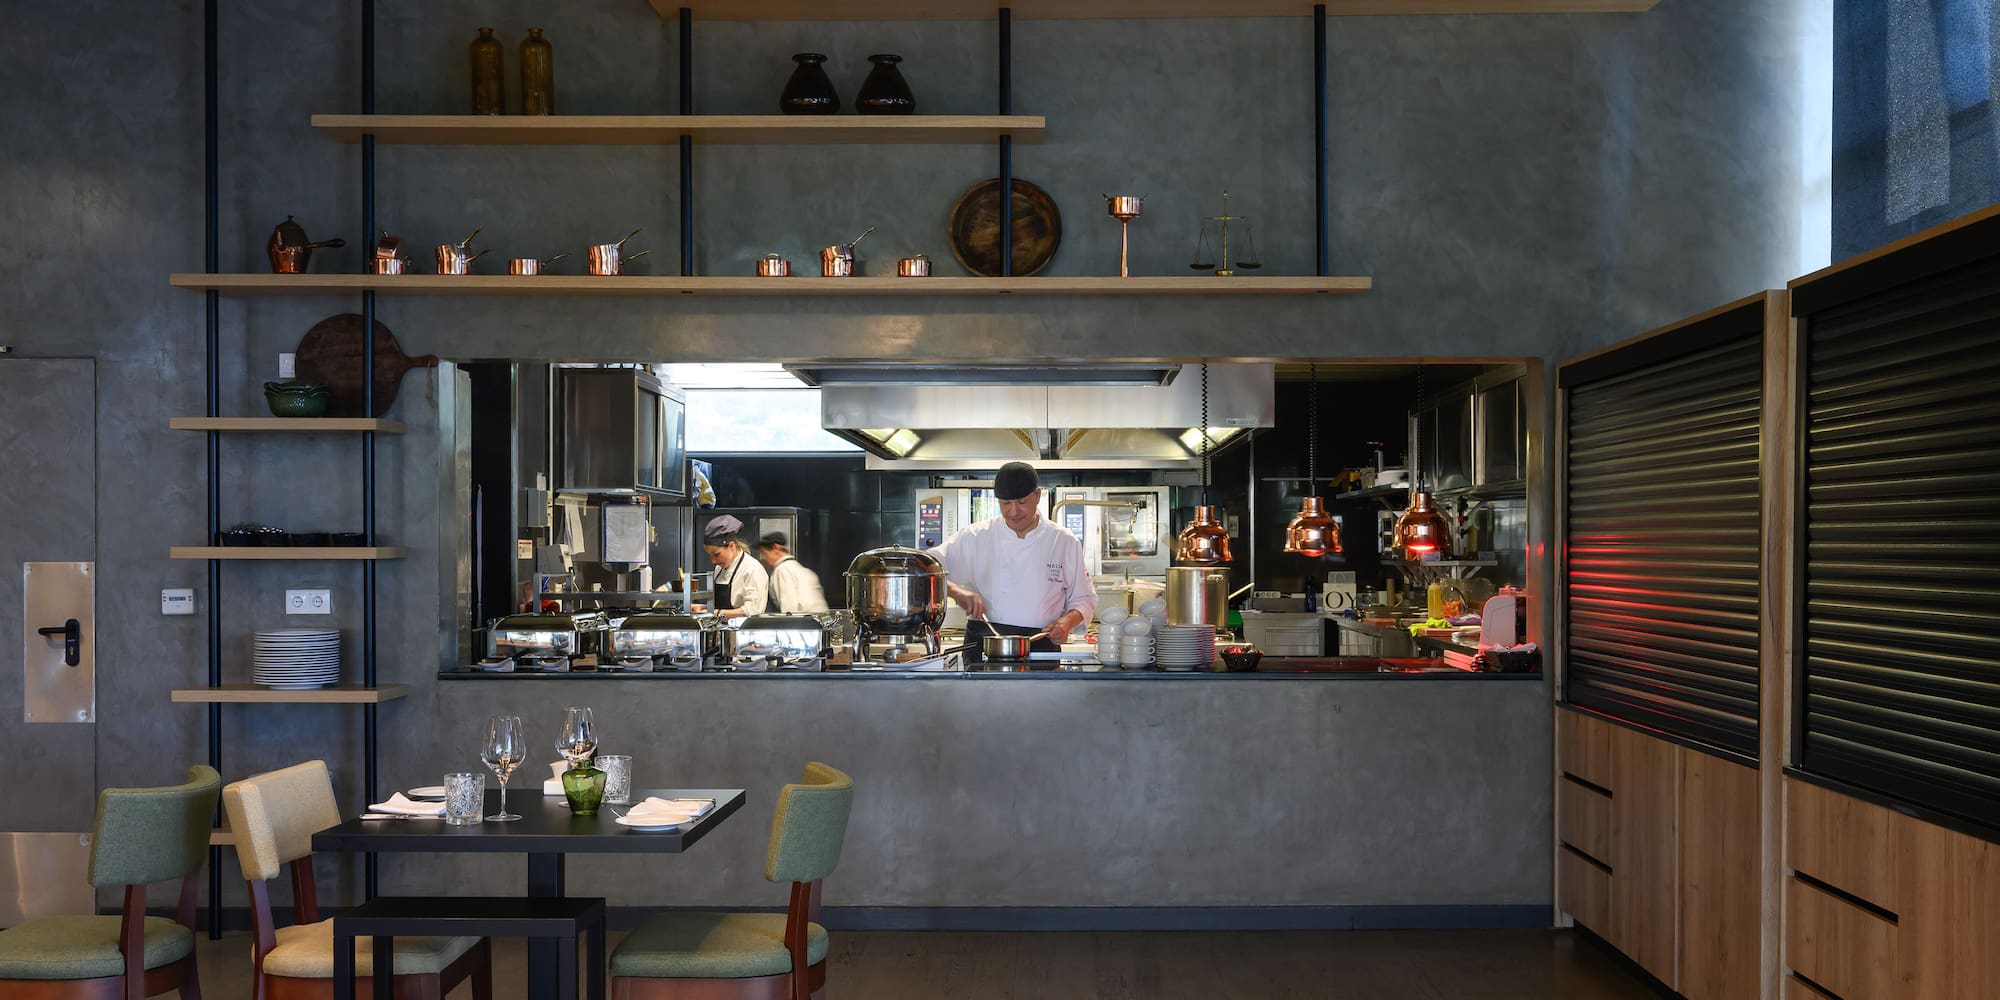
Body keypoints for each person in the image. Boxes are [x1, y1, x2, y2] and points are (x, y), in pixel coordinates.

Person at [927, 461, 1097, 655]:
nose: (1014, 511)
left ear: (1037, 496)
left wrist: (1067, 622)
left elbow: (1084, 598)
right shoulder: (974, 537)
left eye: (1022, 502)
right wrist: (956, 592)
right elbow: (925, 568)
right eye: (1006, 503)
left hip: (1040, 644)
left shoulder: (1063, 540)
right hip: (984, 646)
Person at [692, 515, 767, 620]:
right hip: (720, 629)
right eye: (710, 555)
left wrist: (716, 613)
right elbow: (722, 608)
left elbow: (753, 610)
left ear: (731, 546)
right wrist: (703, 608)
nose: (713, 561)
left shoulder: (752, 569)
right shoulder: (719, 569)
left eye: (716, 554)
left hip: (741, 632)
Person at [756, 532, 830, 614]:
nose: (763, 558)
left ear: (776, 548)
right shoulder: (805, 571)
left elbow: (789, 610)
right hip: (822, 622)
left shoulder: (782, 570)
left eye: (764, 553)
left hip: (804, 624)